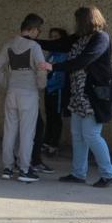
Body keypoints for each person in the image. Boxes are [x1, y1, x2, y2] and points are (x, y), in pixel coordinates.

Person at [39, 6, 112, 188]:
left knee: (91, 135)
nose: (76, 24)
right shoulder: (79, 38)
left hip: (94, 94)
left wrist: (54, 67)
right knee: (77, 135)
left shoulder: (101, 38)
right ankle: (78, 173)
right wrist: (34, 41)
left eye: (78, 20)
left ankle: (108, 174)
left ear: (86, 21)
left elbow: (84, 60)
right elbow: (58, 44)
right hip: (77, 94)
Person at [0, 13, 47, 183]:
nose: (39, 33)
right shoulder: (34, 46)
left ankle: (8, 167)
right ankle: (24, 169)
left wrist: (7, 85)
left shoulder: (9, 44)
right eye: (38, 30)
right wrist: (41, 85)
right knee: (27, 133)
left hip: (12, 93)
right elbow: (41, 69)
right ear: (32, 29)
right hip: (29, 94)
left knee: (9, 131)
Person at [39, 27, 69, 157]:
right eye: (51, 37)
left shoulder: (64, 54)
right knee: (49, 116)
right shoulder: (50, 53)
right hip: (48, 88)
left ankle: (54, 144)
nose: (53, 40)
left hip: (58, 89)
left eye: (56, 37)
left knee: (56, 118)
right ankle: (46, 141)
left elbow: (61, 73)